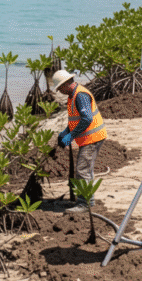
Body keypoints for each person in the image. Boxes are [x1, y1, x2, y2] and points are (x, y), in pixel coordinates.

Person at [52, 69, 107, 213]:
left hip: (92, 137)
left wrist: (71, 136)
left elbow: (87, 119)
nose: (59, 92)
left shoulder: (80, 95)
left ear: (65, 84)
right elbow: (76, 119)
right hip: (90, 137)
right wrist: (66, 132)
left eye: (59, 88)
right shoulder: (73, 95)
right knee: (86, 169)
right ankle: (89, 200)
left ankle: (84, 204)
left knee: (82, 170)